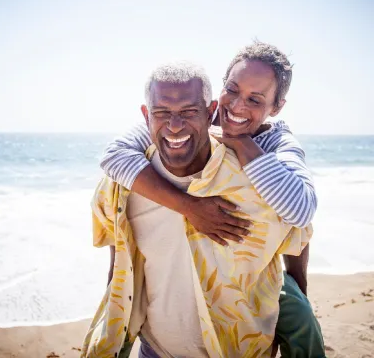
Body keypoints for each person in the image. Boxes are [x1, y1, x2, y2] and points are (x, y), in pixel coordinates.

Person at [98, 42, 325, 357]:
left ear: (276, 107)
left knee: (300, 317)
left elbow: (300, 211)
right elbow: (114, 157)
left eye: (255, 99)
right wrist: (189, 207)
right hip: (169, 326)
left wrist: (243, 144)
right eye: (233, 90)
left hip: (259, 264)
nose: (238, 107)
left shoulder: (276, 141)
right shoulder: (201, 117)